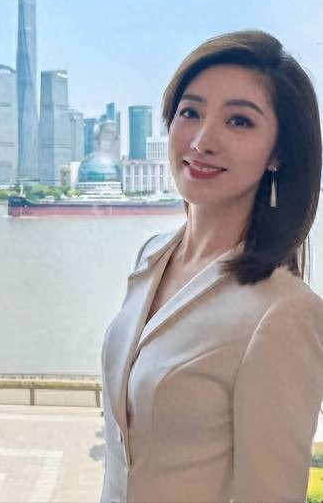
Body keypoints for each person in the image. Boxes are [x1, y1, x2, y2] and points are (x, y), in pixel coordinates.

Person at [100, 29, 323, 503]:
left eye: (239, 121)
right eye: (190, 112)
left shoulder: (282, 313)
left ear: (278, 153)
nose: (202, 141)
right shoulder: (152, 256)